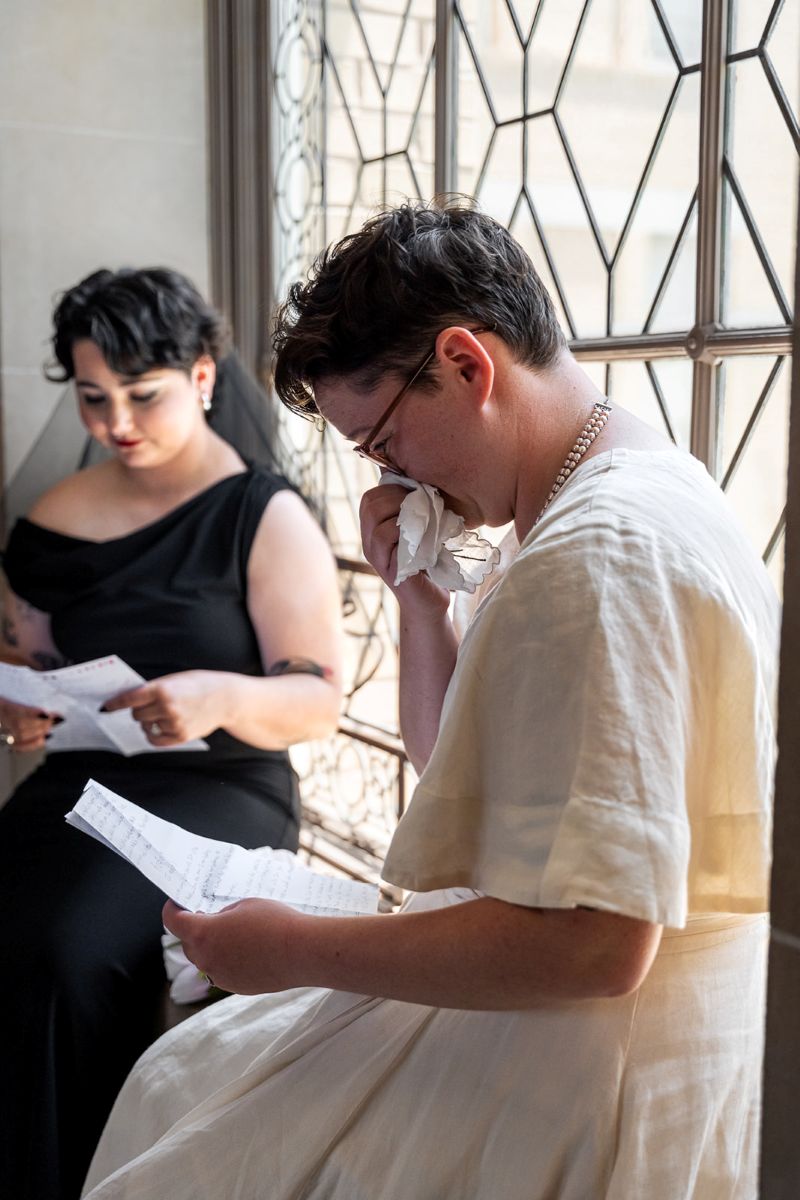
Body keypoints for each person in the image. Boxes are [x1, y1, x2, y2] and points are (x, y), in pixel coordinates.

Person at [82, 201, 778, 1200]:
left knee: (190, 1127)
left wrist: (292, 950)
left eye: (383, 439)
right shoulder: (605, 490)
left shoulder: (594, 554)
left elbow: (593, 942)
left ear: (464, 363)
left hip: (600, 1058)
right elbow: (456, 761)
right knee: (184, 1081)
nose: (391, 470)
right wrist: (417, 598)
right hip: (590, 1018)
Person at [0, 266, 343, 1200]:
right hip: (76, 787)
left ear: (200, 377)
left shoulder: (262, 515)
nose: (117, 424)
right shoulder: (51, 522)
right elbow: (21, 657)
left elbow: (318, 701)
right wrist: (16, 706)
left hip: (220, 789)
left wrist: (218, 695)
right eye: (93, 398)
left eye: (142, 396)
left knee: (70, 952)